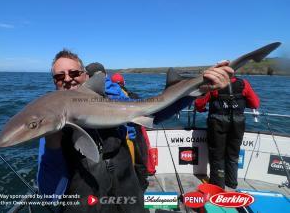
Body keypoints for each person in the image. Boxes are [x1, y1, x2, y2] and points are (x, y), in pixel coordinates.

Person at [37, 49, 233, 212]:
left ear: (86, 76)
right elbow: (50, 193)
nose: (68, 79)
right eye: (59, 76)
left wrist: (201, 89)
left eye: (74, 73)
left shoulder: (114, 104)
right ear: (54, 82)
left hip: (130, 198)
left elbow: (154, 112)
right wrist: (53, 144)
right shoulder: (52, 124)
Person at [194, 74, 260, 190]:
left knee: (217, 155)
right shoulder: (244, 84)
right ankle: (231, 182)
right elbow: (255, 104)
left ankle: (217, 184)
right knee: (233, 154)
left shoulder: (213, 85)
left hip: (217, 123)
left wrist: (202, 109)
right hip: (238, 124)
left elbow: (199, 104)